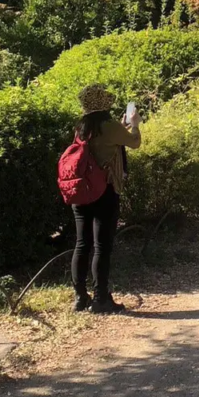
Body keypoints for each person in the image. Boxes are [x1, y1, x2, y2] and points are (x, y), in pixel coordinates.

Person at [71, 84, 141, 314]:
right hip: (105, 191)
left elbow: (102, 144)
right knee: (102, 246)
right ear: (104, 104)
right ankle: (101, 298)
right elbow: (134, 142)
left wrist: (121, 127)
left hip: (81, 191)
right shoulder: (108, 125)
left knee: (82, 244)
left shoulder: (82, 126)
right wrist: (135, 124)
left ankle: (81, 297)